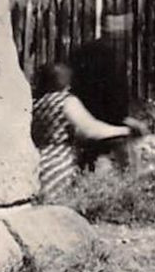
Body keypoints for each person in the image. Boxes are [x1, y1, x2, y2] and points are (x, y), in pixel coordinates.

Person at [30, 61, 142, 200]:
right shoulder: (66, 101)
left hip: (37, 162)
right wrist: (125, 131)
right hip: (60, 163)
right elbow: (90, 130)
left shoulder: (34, 103)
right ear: (67, 84)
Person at [69, 12, 149, 171]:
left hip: (86, 122)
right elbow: (115, 98)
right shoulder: (109, 56)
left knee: (94, 166)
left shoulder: (84, 52)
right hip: (109, 127)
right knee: (128, 170)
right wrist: (124, 122)